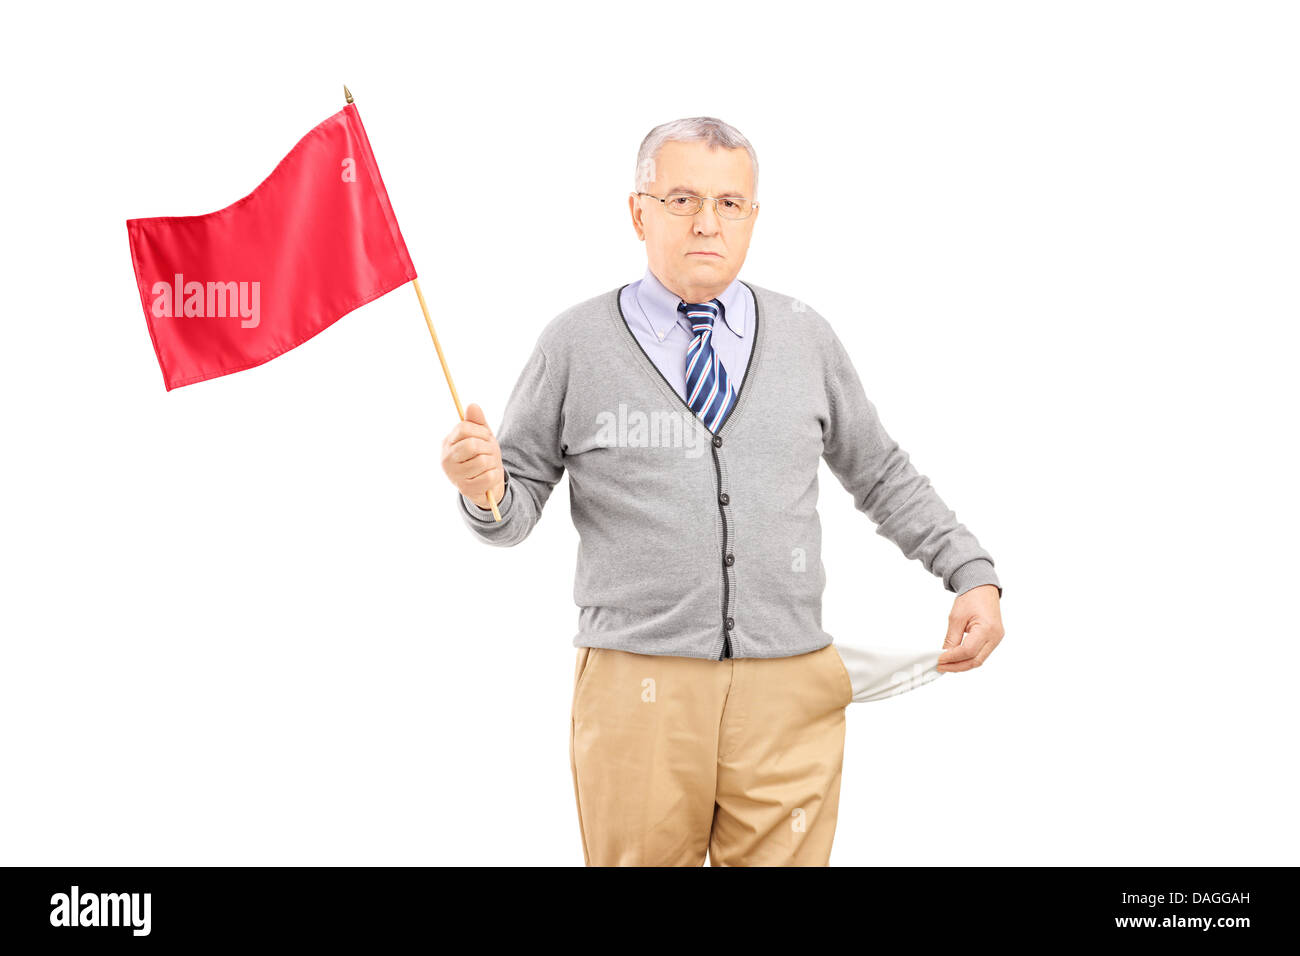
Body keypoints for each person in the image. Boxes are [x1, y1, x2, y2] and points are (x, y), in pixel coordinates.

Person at [440, 116, 1005, 866]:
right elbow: (513, 512)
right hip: (638, 689)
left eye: (730, 203)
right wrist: (484, 491)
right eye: (680, 198)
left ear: (753, 217)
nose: (708, 221)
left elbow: (880, 471)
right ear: (637, 210)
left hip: (790, 687)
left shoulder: (806, 337)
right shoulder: (573, 344)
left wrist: (970, 572)